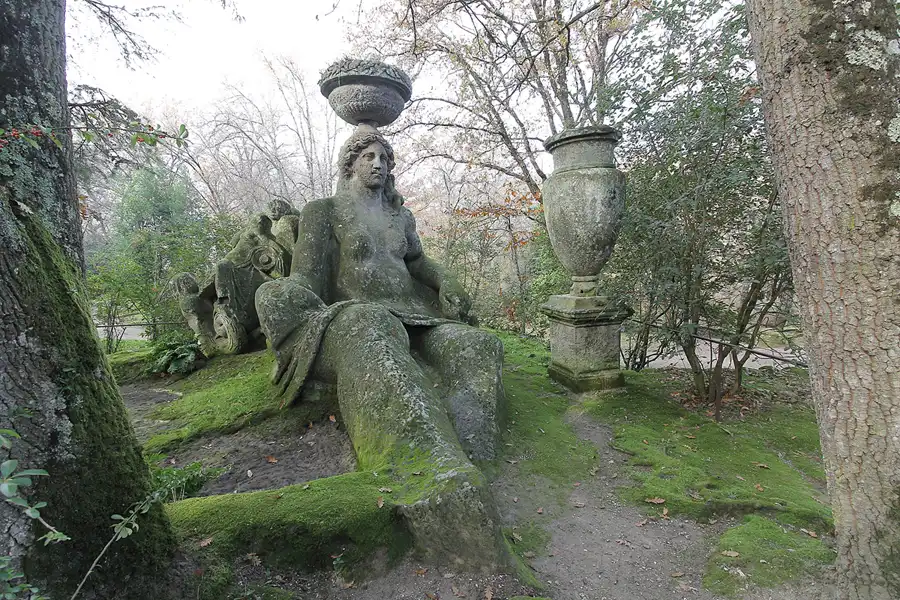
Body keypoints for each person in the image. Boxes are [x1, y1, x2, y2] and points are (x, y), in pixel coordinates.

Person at [255, 126, 505, 464]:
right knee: (377, 330)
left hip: (416, 313)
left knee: (479, 345)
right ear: (350, 164)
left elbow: (417, 261)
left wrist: (446, 280)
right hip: (364, 313)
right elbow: (305, 276)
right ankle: (428, 464)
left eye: (384, 158)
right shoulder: (323, 211)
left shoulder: (400, 215)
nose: (378, 164)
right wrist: (281, 291)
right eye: (368, 157)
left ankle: (475, 457)